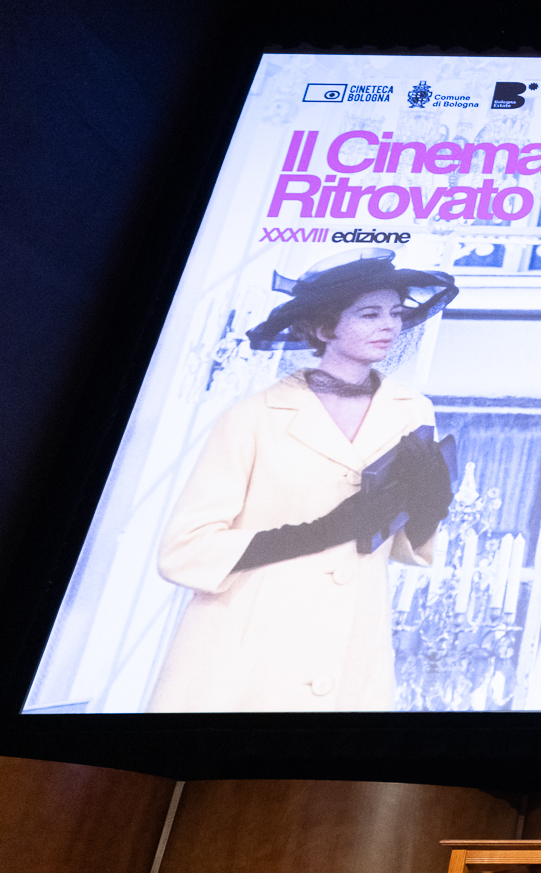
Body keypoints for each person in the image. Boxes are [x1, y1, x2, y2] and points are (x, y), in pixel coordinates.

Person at [148, 252, 459, 712]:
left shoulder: (413, 411)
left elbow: (397, 536)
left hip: (352, 643)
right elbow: (184, 551)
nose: (389, 325)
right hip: (243, 648)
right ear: (324, 328)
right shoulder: (252, 417)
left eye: (395, 313)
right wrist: (322, 532)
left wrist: (430, 508)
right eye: (369, 314)